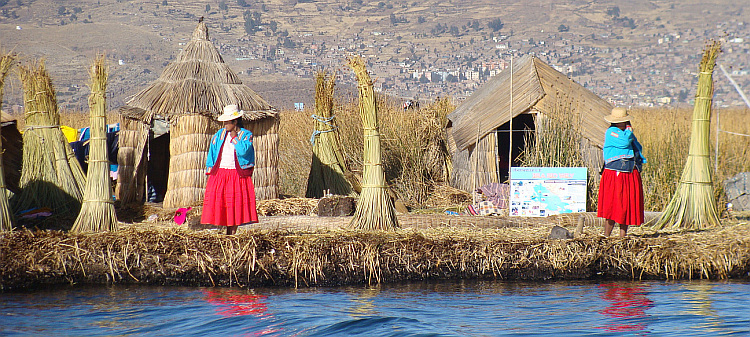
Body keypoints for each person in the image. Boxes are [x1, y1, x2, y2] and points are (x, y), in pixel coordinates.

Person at [201, 104, 258, 235]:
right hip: (220, 173)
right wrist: (210, 171)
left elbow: (243, 151)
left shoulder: (246, 135)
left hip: (237, 174)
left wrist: (234, 138)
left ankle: (231, 234)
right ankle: (224, 232)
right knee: (222, 203)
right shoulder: (219, 135)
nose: (225, 124)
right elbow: (212, 153)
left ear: (235, 121)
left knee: (235, 205)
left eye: (227, 122)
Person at [597, 107, 647, 237]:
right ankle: (606, 235)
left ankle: (622, 236)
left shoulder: (626, 132)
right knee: (613, 204)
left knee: (626, 203)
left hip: (629, 171)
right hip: (615, 172)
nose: (624, 123)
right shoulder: (612, 132)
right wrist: (629, 132)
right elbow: (624, 143)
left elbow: (637, 147)